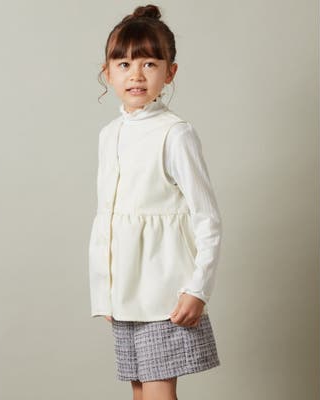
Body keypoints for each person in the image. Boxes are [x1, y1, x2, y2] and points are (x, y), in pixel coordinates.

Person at [88, 4, 223, 400]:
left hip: (164, 292)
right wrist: (106, 289)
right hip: (125, 292)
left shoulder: (175, 134)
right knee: (139, 391)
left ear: (170, 72)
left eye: (149, 63)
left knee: (159, 392)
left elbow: (207, 217)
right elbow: (109, 217)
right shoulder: (109, 134)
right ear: (107, 72)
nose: (136, 75)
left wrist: (198, 288)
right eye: (125, 64)